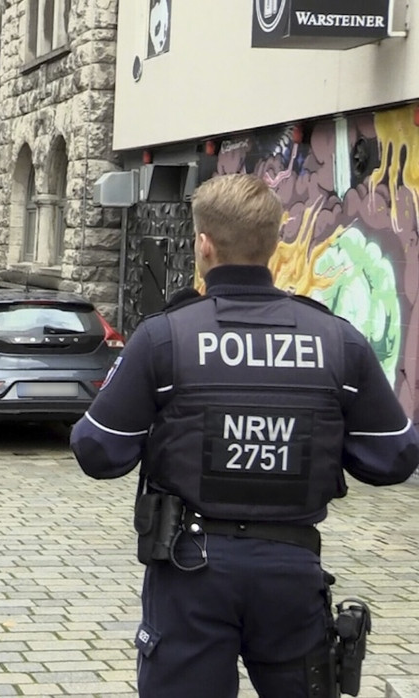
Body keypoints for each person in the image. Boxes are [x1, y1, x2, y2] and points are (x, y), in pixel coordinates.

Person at [70, 174, 419, 697]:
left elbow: (97, 450)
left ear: (204, 245)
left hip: (191, 567)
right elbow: (393, 457)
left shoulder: (165, 337)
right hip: (291, 570)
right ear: (275, 241)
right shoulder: (336, 340)